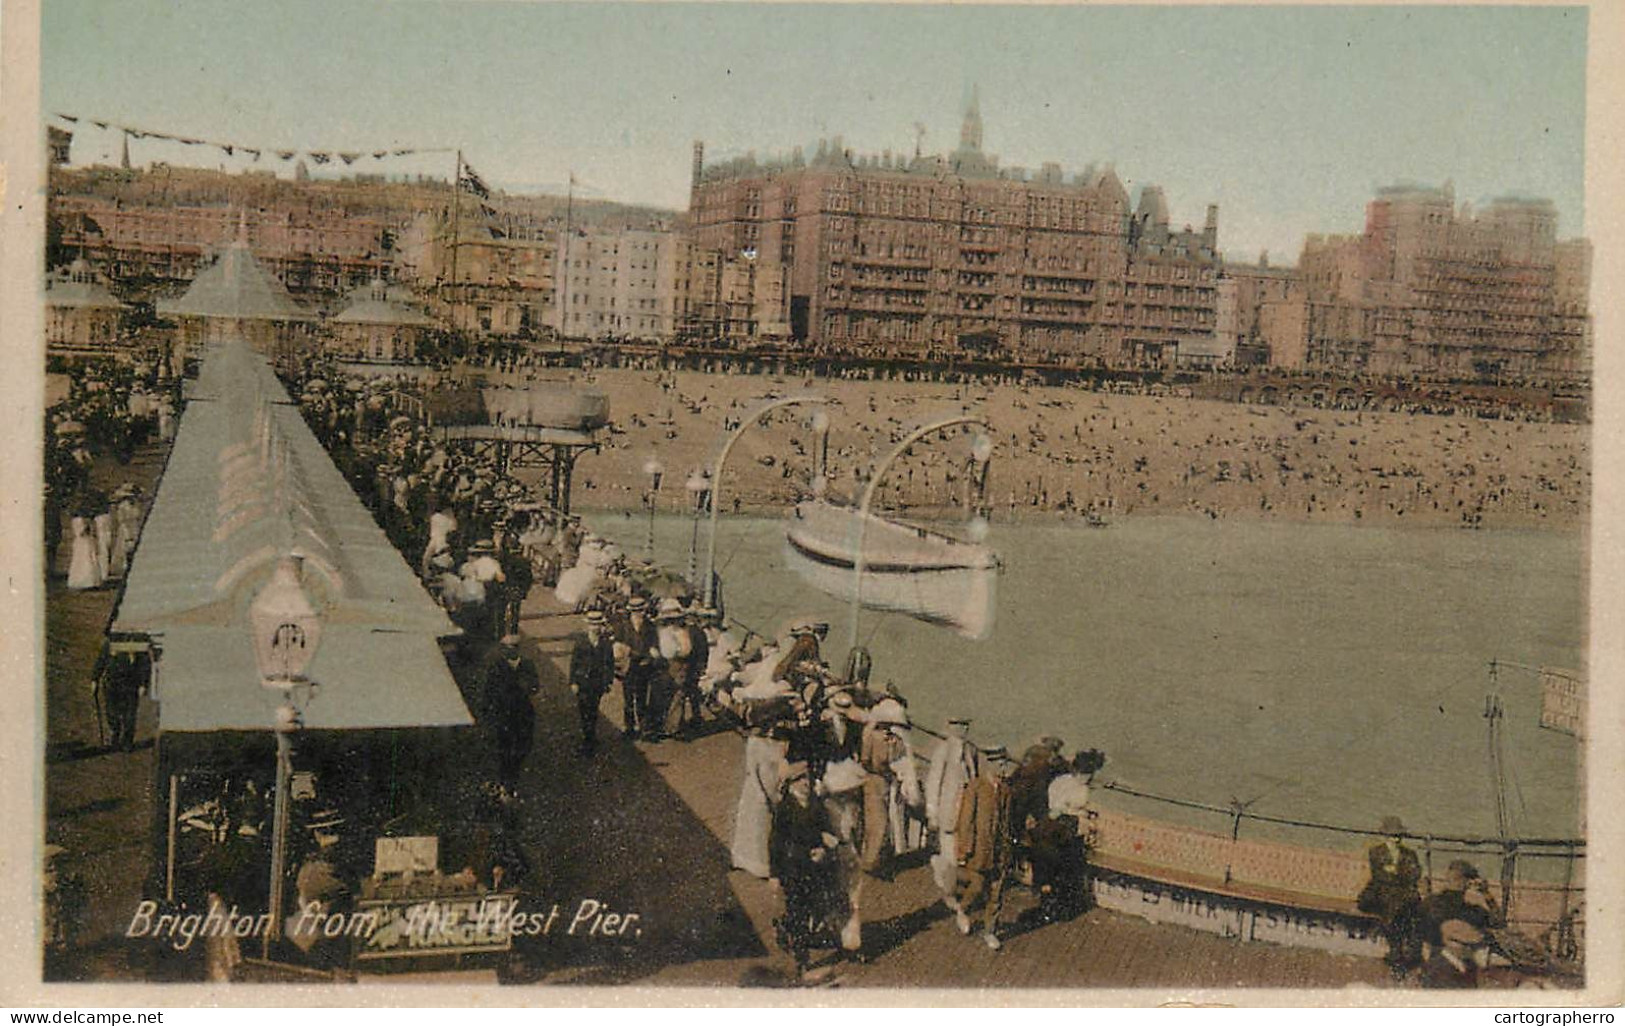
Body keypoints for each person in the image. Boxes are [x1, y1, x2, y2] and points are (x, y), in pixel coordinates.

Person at [769, 761, 851, 977]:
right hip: (793, 869)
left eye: (807, 778)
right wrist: (774, 875)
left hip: (816, 867)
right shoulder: (784, 809)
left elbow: (825, 830)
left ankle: (784, 926)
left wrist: (825, 846)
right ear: (790, 785)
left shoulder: (816, 804)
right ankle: (802, 961)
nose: (805, 783)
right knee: (799, 913)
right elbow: (775, 844)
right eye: (799, 780)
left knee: (817, 907)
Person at [954, 745, 1018, 950]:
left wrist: (1009, 848)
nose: (1003, 768)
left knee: (996, 894)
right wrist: (964, 849)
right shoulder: (976, 787)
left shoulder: (1006, 791)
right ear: (989, 764)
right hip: (979, 851)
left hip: (1000, 851)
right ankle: (963, 910)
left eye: (1005, 764)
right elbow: (965, 821)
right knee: (976, 887)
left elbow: (1007, 822)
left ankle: (989, 931)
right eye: (1000, 764)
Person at [924, 716, 985, 914]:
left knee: (963, 852)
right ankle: (949, 894)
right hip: (949, 809)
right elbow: (933, 781)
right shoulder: (943, 750)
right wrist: (932, 812)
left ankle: (958, 888)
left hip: (967, 809)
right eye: (958, 725)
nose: (962, 729)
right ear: (950, 727)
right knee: (950, 853)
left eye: (965, 725)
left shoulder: (971, 750)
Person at [1357, 815, 1426, 977]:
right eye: (1392, 835)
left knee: (1409, 912)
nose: (1395, 839)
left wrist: (1395, 872)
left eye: (1398, 835)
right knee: (1394, 910)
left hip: (1401, 894)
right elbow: (1380, 876)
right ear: (1385, 836)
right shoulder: (1376, 852)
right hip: (1380, 892)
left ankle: (1402, 954)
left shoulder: (1409, 854)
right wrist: (1400, 874)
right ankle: (1398, 954)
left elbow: (1415, 874)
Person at [472, 635, 540, 784]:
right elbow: (488, 691)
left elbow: (535, 687)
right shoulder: (496, 667)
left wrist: (528, 686)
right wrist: (486, 713)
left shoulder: (527, 665)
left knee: (523, 746)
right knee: (504, 748)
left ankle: (512, 773)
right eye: (508, 649)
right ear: (503, 650)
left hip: (522, 713)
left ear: (519, 649)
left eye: (514, 648)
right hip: (503, 714)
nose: (511, 651)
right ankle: (506, 779)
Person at [568, 610, 617, 756]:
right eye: (592, 625)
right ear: (588, 626)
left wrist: (608, 681)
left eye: (598, 625)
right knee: (584, 711)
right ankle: (587, 738)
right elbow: (574, 663)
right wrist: (573, 682)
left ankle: (591, 736)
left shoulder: (605, 643)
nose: (595, 628)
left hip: (597, 682)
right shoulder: (581, 642)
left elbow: (609, 663)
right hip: (583, 681)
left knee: (593, 710)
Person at [613, 595, 660, 740]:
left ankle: (643, 727)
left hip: (644, 666)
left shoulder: (650, 626)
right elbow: (617, 644)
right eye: (636, 610)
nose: (639, 613)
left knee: (641, 698)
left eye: (641, 610)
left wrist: (653, 652)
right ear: (631, 611)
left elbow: (654, 644)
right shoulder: (623, 626)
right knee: (628, 699)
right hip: (629, 666)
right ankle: (629, 727)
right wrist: (623, 652)